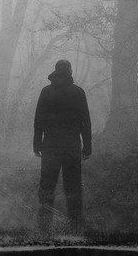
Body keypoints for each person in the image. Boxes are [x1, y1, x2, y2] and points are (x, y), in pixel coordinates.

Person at [33, 59, 92, 232]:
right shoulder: (78, 92)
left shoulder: (46, 92)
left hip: (50, 145)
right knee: (73, 185)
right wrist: (87, 147)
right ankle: (75, 224)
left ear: (56, 71)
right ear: (70, 72)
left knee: (47, 185)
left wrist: (37, 144)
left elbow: (38, 120)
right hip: (72, 145)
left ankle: (44, 224)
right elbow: (85, 122)